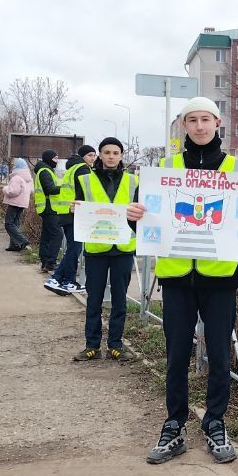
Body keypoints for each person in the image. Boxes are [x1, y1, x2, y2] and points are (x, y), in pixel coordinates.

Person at [132, 97, 238, 465]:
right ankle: (174, 425)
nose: (199, 126)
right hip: (177, 279)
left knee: (219, 355)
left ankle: (215, 422)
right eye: (191, 120)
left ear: (217, 124)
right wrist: (134, 217)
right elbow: (142, 221)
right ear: (184, 126)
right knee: (176, 355)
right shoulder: (164, 171)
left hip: (220, 279)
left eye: (205, 120)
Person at [72, 137, 143, 362]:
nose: (111, 156)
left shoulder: (134, 181)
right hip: (96, 249)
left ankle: (116, 345)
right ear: (99, 155)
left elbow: (141, 211)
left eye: (115, 152)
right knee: (94, 299)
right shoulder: (84, 180)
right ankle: (91, 346)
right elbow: (79, 207)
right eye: (106, 152)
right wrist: (75, 208)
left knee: (120, 300)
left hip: (122, 248)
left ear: (121, 155)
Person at [45, 148, 92, 296]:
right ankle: (58, 278)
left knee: (73, 248)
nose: (93, 158)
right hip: (74, 213)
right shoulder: (83, 168)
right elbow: (87, 192)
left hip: (65, 213)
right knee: (75, 248)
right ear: (83, 156)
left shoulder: (72, 168)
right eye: (90, 155)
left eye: (94, 155)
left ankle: (66, 281)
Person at [33, 150, 65, 273]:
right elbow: (50, 189)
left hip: (47, 207)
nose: (57, 161)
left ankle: (45, 261)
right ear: (49, 159)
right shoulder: (45, 171)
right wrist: (65, 188)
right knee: (57, 235)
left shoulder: (45, 170)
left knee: (46, 235)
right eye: (55, 158)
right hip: (49, 207)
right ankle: (50, 262)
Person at [1, 157, 32, 252]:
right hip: (22, 203)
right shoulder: (28, 178)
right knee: (15, 224)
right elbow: (31, 190)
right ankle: (15, 245)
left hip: (14, 202)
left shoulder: (16, 178)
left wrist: (5, 189)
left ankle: (22, 240)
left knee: (8, 224)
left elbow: (13, 192)